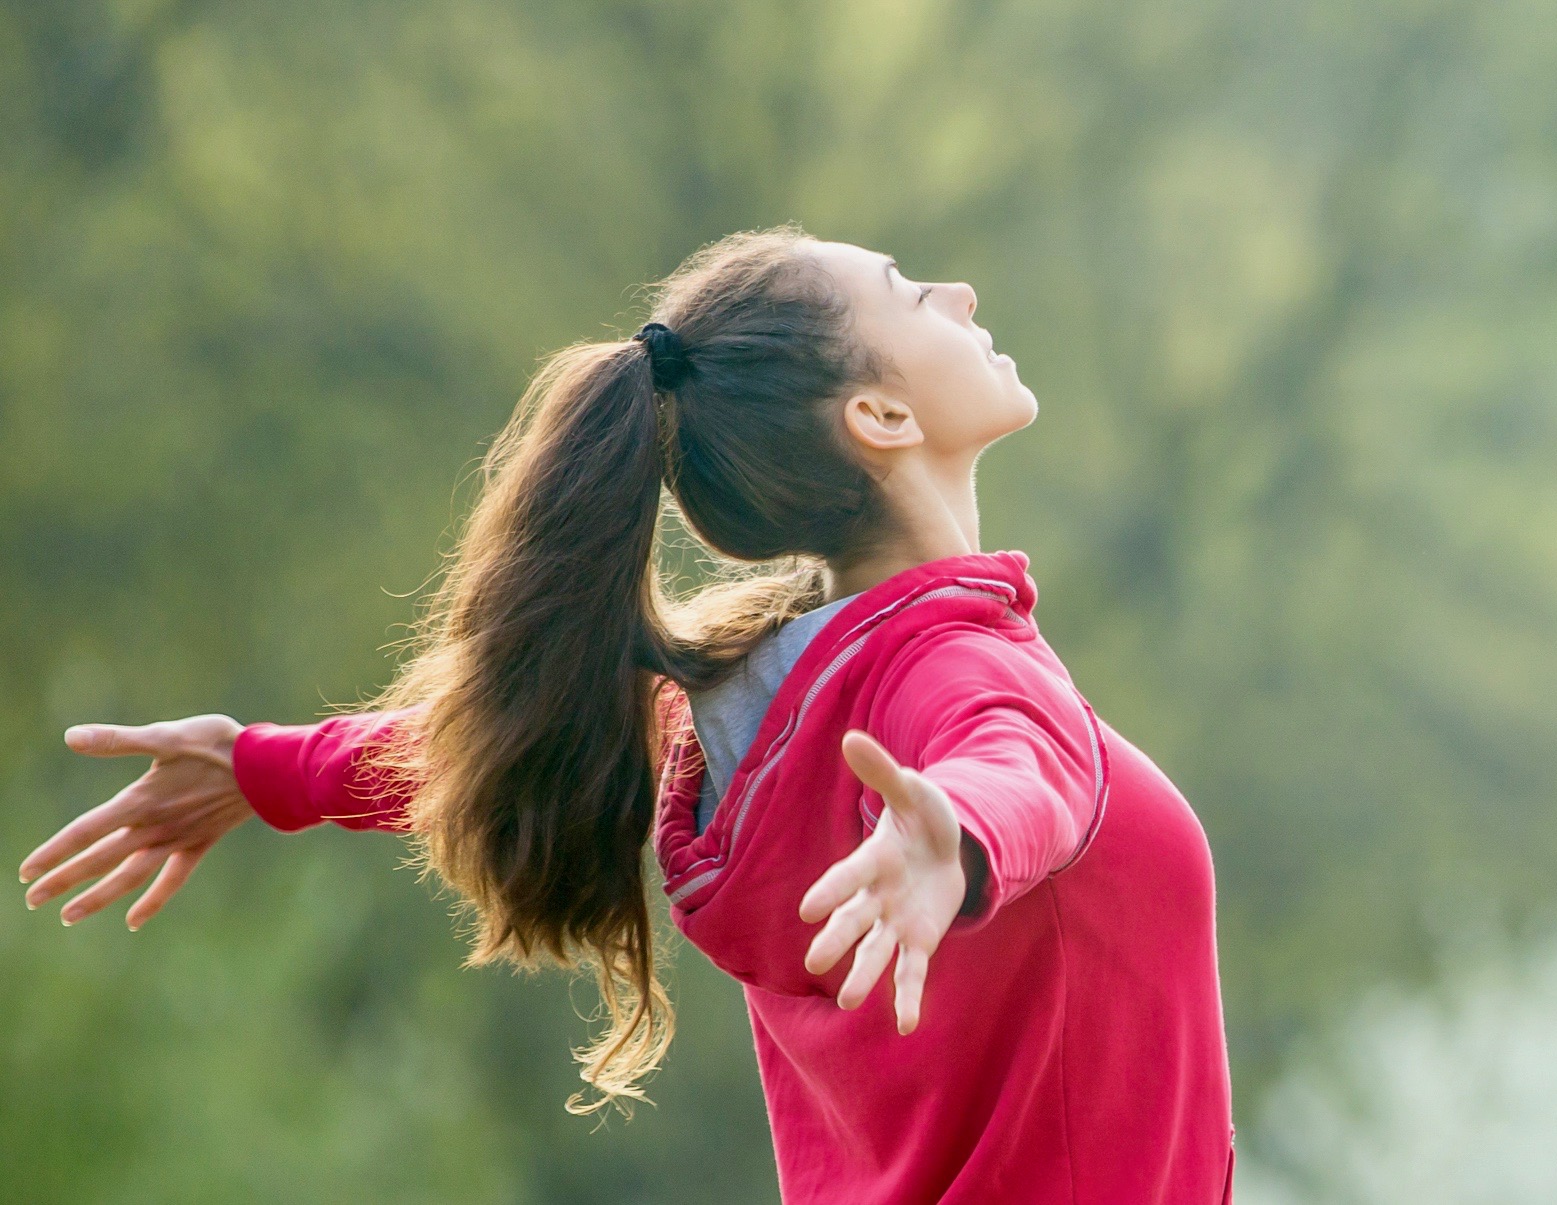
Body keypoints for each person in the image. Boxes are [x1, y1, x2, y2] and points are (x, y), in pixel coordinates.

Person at [19, 225, 1235, 1203]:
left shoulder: (754, 711)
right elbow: (1014, 758)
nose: (961, 290)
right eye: (913, 294)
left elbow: (522, 735)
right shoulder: (945, 660)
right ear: (880, 418)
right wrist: (957, 840)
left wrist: (266, 767)